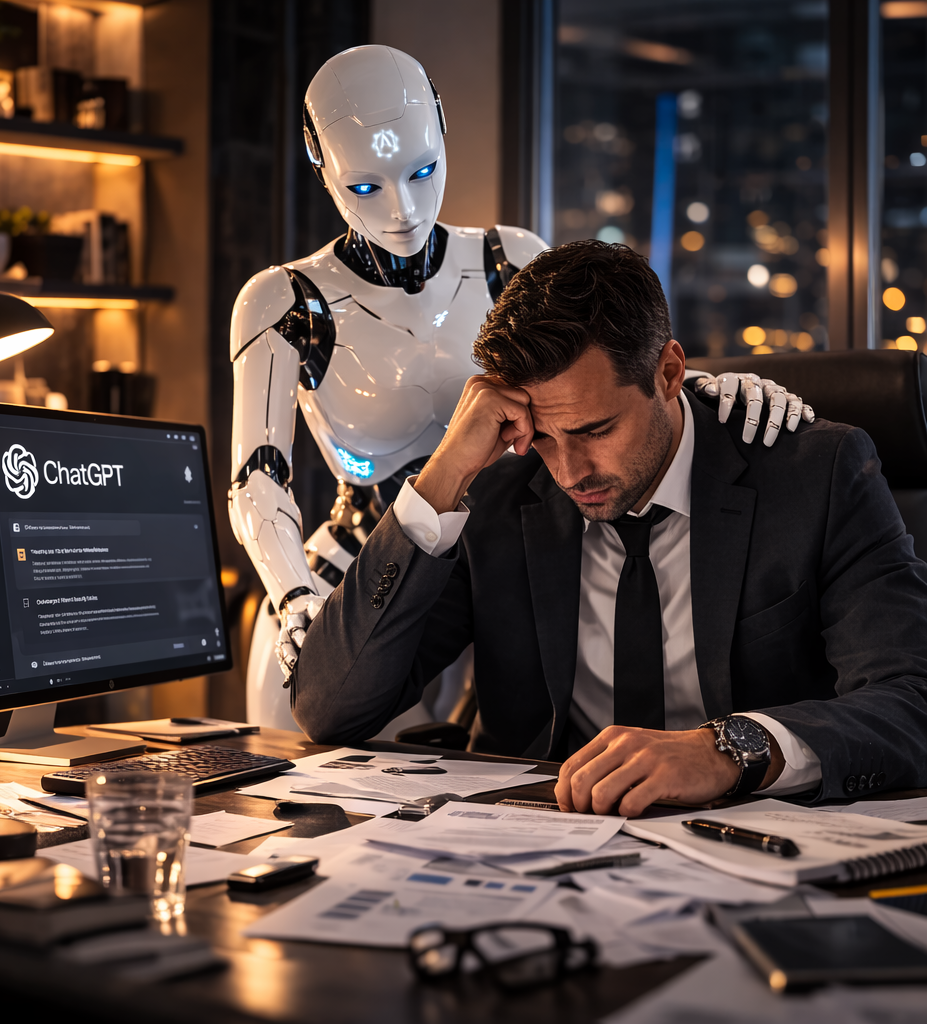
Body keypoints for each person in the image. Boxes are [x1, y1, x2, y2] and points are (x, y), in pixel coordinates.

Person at [227, 44, 812, 734]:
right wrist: (293, 592)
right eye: (366, 187)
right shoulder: (287, 300)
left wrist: (704, 396)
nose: (403, 211)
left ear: (443, 132)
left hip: (505, 556)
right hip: (362, 560)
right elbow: (256, 473)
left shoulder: (508, 259)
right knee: (291, 786)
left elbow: (597, 361)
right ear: (319, 161)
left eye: (422, 172)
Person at [291, 239, 927, 816]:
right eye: (542, 436)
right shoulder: (495, 490)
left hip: (746, 842)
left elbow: (911, 699)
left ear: (669, 374)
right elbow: (330, 706)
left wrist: (729, 750)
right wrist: (441, 475)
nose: (569, 472)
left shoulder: (815, 475)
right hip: (528, 843)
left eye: (595, 431)